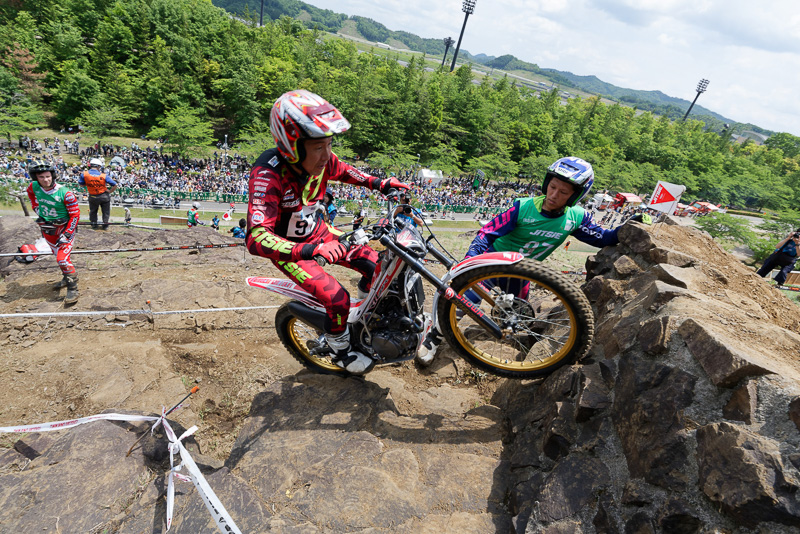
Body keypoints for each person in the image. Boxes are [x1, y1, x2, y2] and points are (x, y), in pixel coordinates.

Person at [419, 156, 646, 363]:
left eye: (563, 192)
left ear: (576, 196)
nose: (553, 195)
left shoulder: (576, 217)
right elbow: (487, 233)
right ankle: (434, 336)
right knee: (462, 302)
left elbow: (602, 238)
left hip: (523, 273)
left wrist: (629, 226)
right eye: (552, 186)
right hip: (491, 265)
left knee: (519, 318)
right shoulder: (524, 207)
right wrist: (470, 260)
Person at [245, 89, 408, 374]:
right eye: (319, 147)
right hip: (292, 251)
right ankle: (340, 347)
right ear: (291, 145)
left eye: (330, 145)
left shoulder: (322, 159)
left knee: (382, 267)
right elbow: (256, 237)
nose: (326, 155)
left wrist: (380, 183)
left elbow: (342, 169)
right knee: (337, 299)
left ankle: (364, 315)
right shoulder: (267, 175)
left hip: (320, 234)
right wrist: (311, 250)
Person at [25, 160, 81, 304]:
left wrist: (67, 234)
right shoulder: (34, 186)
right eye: (41, 177)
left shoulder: (65, 193)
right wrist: (36, 208)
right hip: (48, 230)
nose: (45, 180)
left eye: (48, 176)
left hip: (64, 229)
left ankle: (73, 288)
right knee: (57, 255)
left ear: (53, 175)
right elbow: (30, 194)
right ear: (36, 178)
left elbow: (75, 215)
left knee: (62, 258)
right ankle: (66, 276)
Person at [78, 157, 117, 230]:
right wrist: (109, 191)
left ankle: (94, 225)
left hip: (92, 196)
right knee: (106, 211)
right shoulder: (103, 175)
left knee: (93, 211)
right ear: (99, 166)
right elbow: (115, 185)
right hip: (103, 195)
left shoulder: (84, 174)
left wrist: (89, 184)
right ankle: (105, 225)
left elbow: (81, 184)